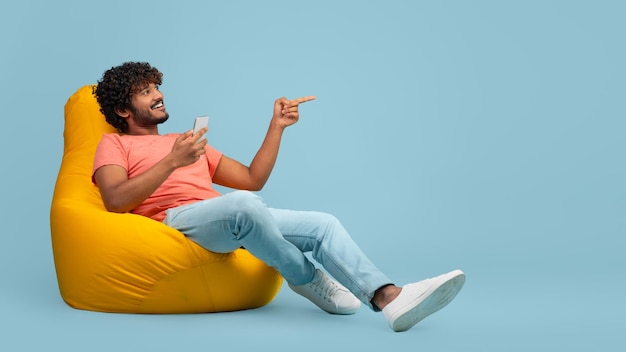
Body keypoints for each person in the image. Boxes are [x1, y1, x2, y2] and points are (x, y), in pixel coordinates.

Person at [92, 61, 465, 332]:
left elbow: (253, 180)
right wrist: (172, 163)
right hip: (175, 222)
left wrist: (277, 127)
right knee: (241, 206)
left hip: (226, 214)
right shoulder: (114, 143)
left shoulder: (185, 143)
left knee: (322, 223)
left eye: (156, 87)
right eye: (145, 92)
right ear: (124, 110)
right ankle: (305, 277)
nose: (158, 95)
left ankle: (389, 298)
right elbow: (115, 200)